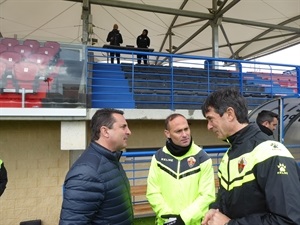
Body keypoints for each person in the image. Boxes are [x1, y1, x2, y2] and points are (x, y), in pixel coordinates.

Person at [201, 88, 300, 225]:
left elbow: (288, 220)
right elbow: (229, 201)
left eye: (211, 119)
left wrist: (229, 224)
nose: (209, 126)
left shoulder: (271, 152)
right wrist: (215, 209)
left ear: (230, 114)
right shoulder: (229, 156)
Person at [59, 108, 134, 225]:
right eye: (123, 127)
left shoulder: (112, 160)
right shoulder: (86, 172)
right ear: (105, 131)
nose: (129, 132)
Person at [146, 113, 216, 225]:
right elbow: (153, 192)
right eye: (178, 131)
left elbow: (207, 195)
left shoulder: (202, 157)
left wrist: (183, 219)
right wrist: (168, 217)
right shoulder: (158, 157)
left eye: (186, 129)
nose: (185, 134)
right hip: (166, 221)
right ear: (167, 134)